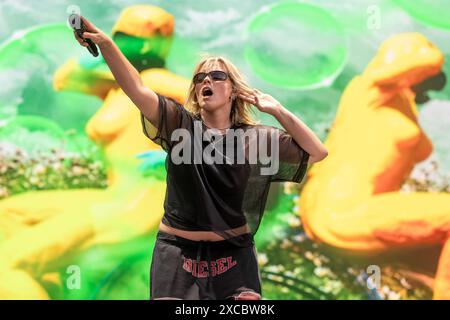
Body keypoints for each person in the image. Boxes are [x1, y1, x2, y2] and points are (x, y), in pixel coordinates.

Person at [74, 16, 328, 300]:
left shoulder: (256, 138)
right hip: (177, 254)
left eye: (217, 76)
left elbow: (317, 152)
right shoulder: (179, 125)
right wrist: (107, 44)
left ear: (234, 91)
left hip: (233, 257)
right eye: (199, 78)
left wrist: (278, 110)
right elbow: (137, 88)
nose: (206, 80)